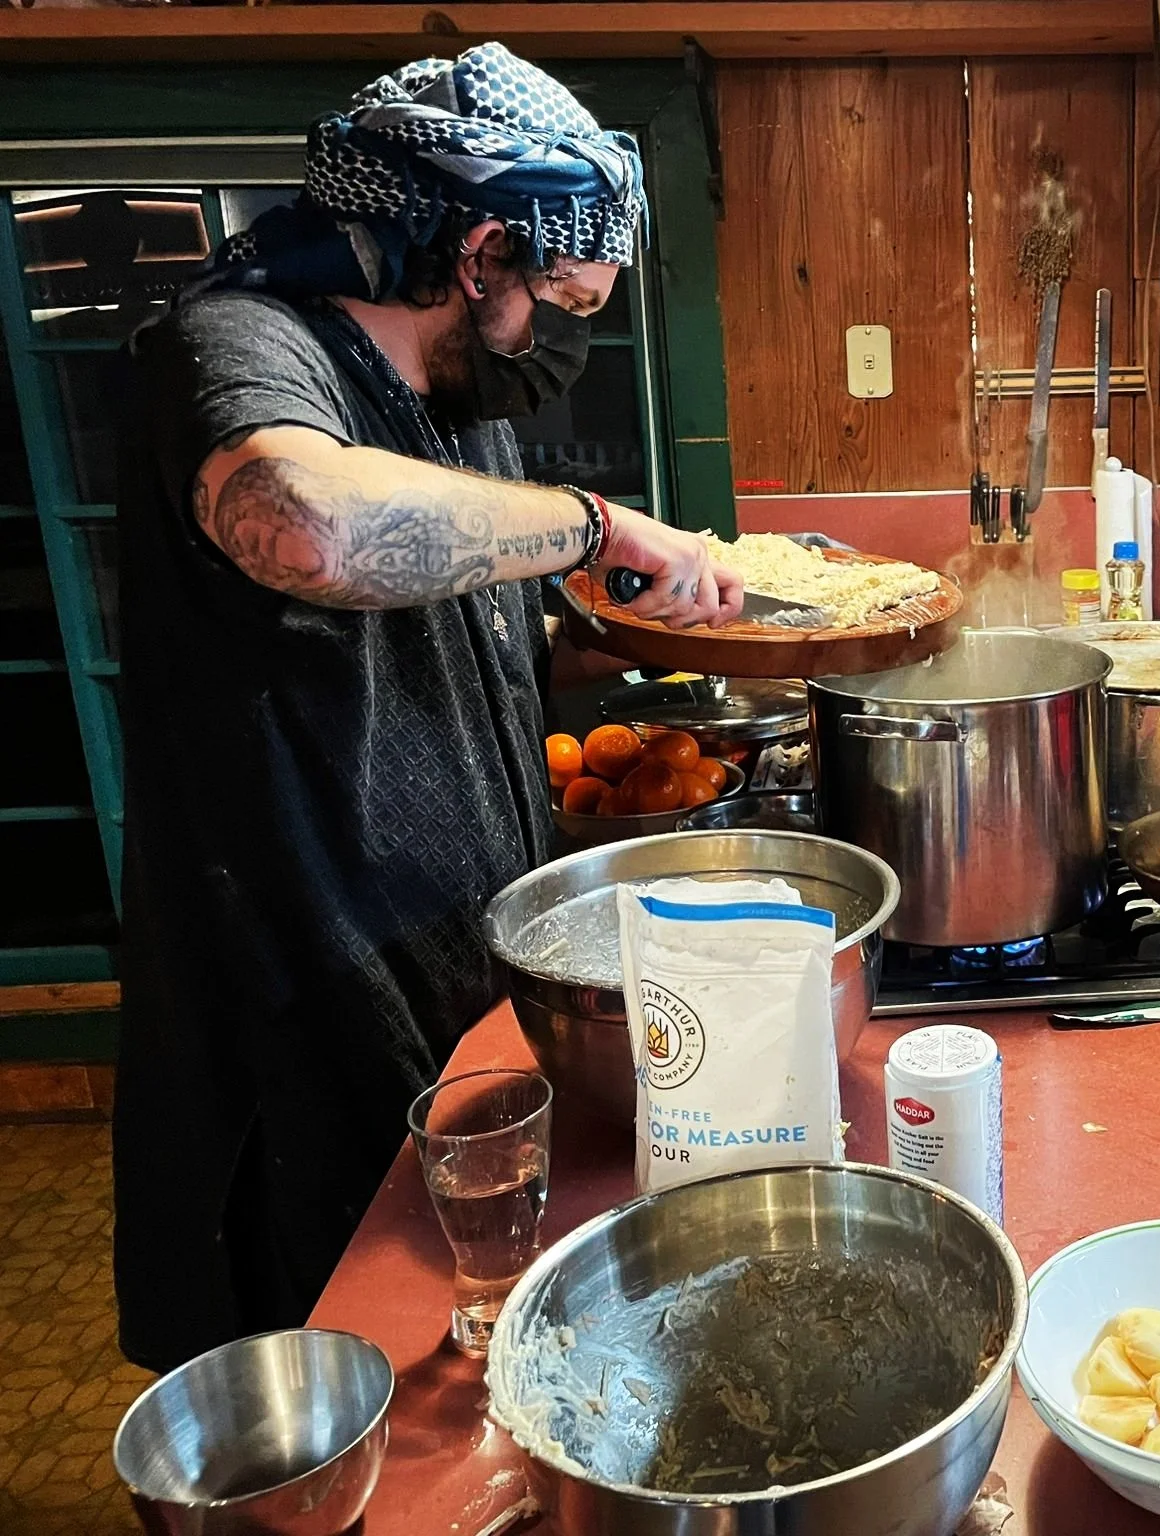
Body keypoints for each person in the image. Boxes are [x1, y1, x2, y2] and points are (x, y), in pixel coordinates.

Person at [112, 44, 745, 1372]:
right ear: (480, 252)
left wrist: (635, 652)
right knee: (348, 1365)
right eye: (557, 299)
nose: (557, 342)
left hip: (458, 965)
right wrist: (592, 526)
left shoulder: (456, 407)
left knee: (475, 1346)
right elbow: (309, 526)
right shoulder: (236, 345)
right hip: (306, 996)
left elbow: (462, 643)